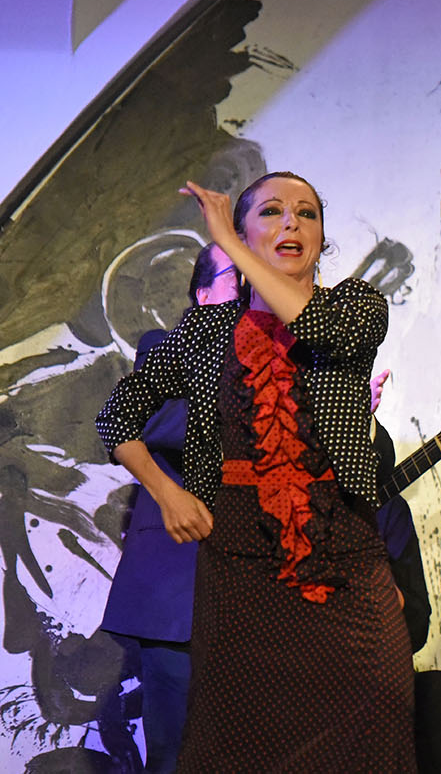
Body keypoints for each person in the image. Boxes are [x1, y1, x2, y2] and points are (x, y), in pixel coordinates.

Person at [96, 172, 414, 772]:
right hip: (240, 560)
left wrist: (238, 247)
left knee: (374, 732)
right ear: (241, 232)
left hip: (341, 553)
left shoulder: (356, 307)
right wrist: (167, 494)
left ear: (322, 237)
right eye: (271, 211)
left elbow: (311, 325)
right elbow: (119, 420)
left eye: (307, 213)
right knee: (242, 746)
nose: (292, 222)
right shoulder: (208, 329)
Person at [98, 244, 237, 773]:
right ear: (202, 295)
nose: (247, 288)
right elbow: (151, 423)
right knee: (175, 755)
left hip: (257, 589)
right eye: (234, 277)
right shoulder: (167, 346)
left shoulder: (284, 360)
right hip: (180, 591)